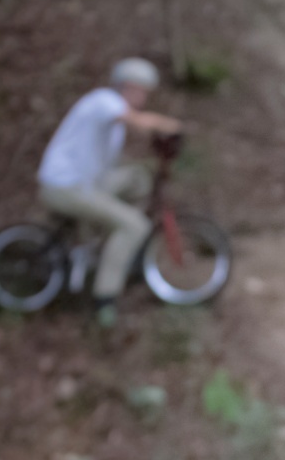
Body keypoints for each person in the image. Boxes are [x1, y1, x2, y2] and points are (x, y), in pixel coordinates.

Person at [37, 59, 182, 324]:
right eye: (142, 91)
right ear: (129, 87)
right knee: (135, 226)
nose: (144, 98)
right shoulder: (104, 100)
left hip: (86, 182)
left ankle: (108, 239)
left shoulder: (110, 113)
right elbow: (137, 122)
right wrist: (171, 126)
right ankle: (105, 298)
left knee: (139, 179)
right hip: (66, 186)